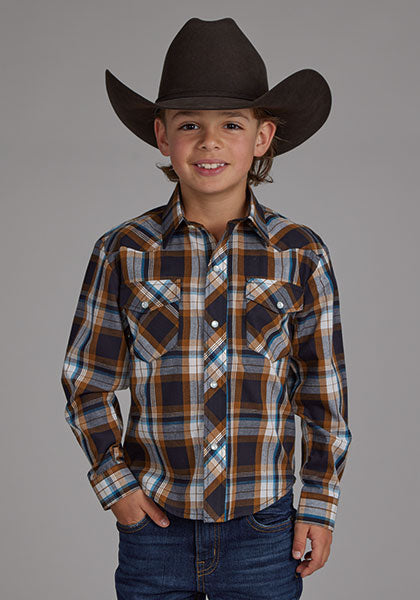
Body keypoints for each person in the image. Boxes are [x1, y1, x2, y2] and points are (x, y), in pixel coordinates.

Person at [60, 17, 352, 600]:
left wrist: (319, 504)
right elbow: (86, 383)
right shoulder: (124, 251)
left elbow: (323, 392)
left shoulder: (300, 253)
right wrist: (119, 491)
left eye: (231, 125)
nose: (209, 142)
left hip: (264, 530)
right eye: (189, 124)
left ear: (262, 138)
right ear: (162, 136)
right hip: (155, 531)